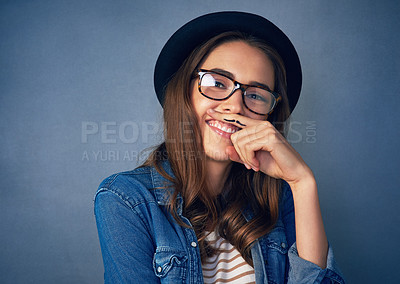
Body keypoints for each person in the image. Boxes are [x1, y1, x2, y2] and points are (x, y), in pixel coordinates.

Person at [94, 11, 345, 283]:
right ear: (184, 92)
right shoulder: (126, 199)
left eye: (255, 95)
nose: (235, 106)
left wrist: (302, 183)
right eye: (217, 83)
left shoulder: (281, 199)